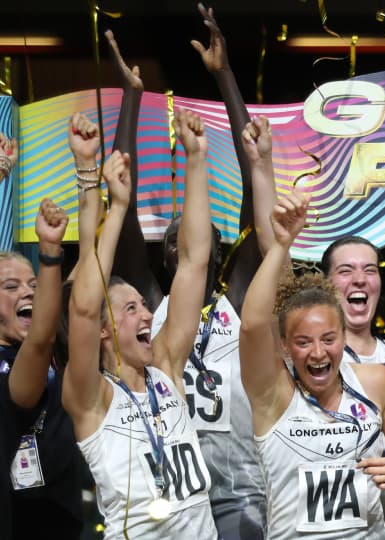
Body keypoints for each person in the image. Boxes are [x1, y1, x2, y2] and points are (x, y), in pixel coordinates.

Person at [107, 13, 276, 537]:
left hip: (244, 487)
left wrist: (225, 78)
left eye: (194, 237)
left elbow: (255, 195)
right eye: (173, 241)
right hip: (175, 494)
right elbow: (125, 205)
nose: (184, 245)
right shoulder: (154, 304)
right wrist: (131, 98)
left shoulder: (237, 296)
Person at [64, 110, 217, 539]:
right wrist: (114, 205)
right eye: (130, 309)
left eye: (142, 306)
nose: (147, 314)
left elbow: (194, 262)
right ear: (102, 328)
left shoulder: (165, 367)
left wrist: (195, 158)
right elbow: (82, 306)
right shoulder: (90, 395)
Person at [239, 189, 385, 539]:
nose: (318, 353)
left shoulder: (378, 382)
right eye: (304, 342)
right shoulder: (273, 395)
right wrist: (280, 246)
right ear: (286, 347)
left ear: (342, 337)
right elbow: (252, 325)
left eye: (328, 339)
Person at [0, 129, 79, 539]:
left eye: (33, 285)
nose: (28, 292)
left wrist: (88, 176)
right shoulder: (28, 354)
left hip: (72, 520)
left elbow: (92, 267)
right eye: (10, 287)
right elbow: (40, 337)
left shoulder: (60, 340)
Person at [319, 235, 385, 539]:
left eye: (370, 270)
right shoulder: (311, 364)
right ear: (325, 284)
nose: (359, 279)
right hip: (338, 528)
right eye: (346, 271)